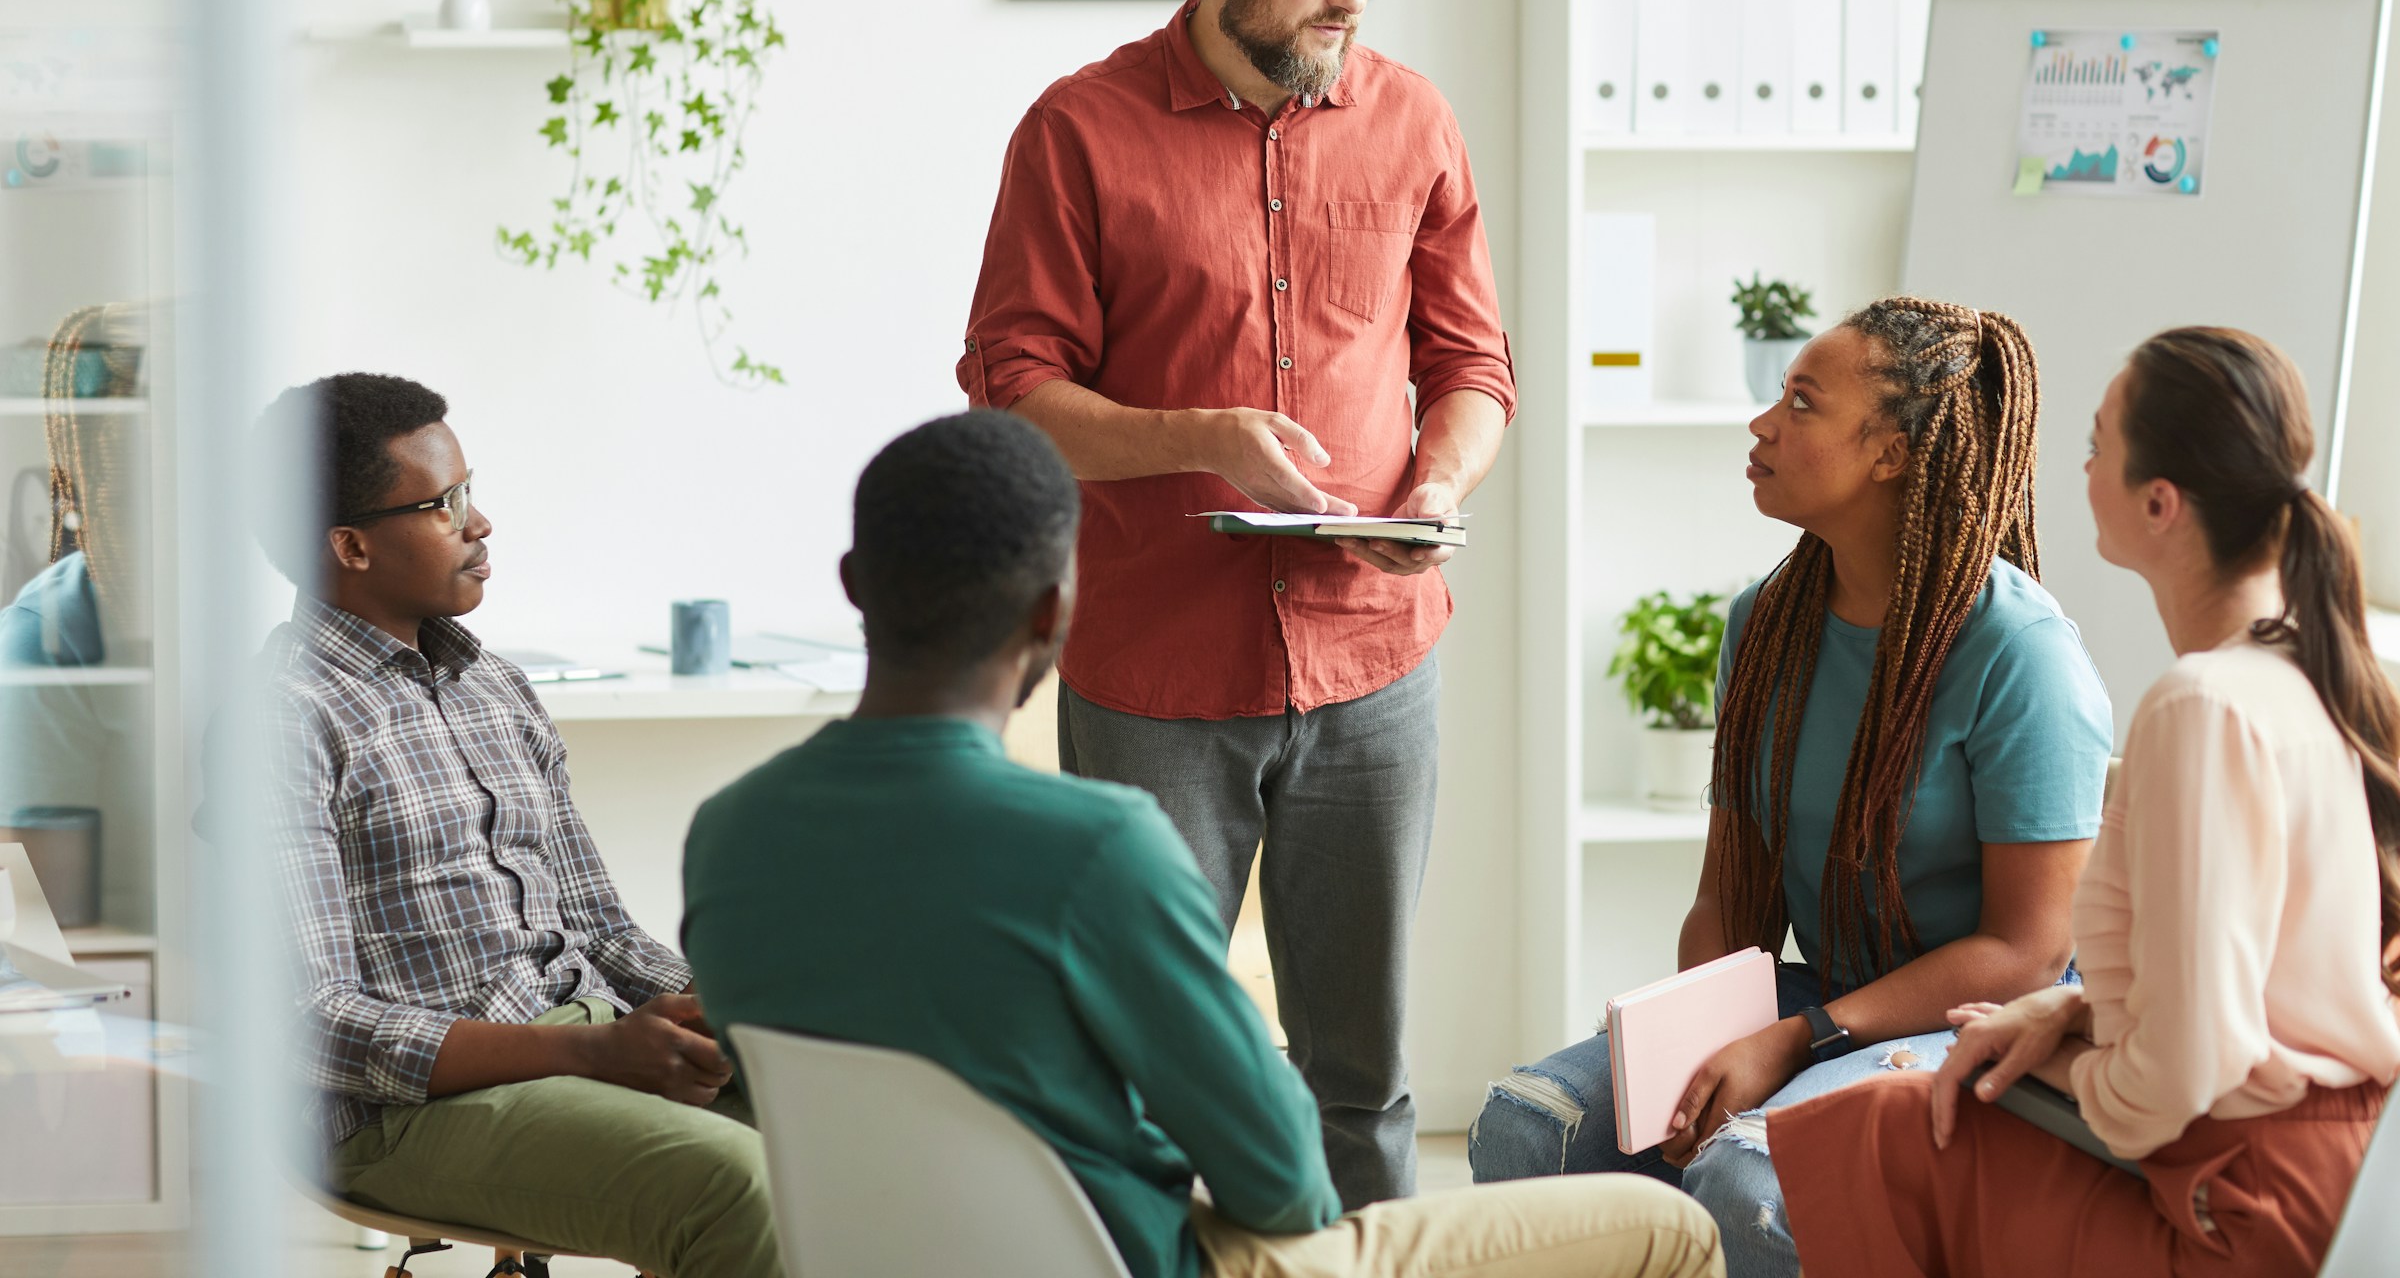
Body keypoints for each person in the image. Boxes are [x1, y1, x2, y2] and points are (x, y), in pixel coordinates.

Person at [682, 410, 1722, 1278]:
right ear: (1055, 609)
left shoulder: (728, 835)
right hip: (1145, 1262)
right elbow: (1286, 1183)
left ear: (855, 581)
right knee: (1669, 1230)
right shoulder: (1092, 851)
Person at [958, 0, 1514, 1209]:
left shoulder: (1415, 121)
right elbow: (1012, 390)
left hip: (1375, 657)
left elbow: (1473, 366)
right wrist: (1202, 435)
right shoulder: (1077, 131)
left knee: (1363, 1073)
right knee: (1143, 1060)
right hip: (1153, 666)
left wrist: (1438, 477)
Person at [1471, 298, 2115, 1277]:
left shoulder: (2020, 653)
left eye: (1802, 403)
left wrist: (1794, 1036)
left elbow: (2028, 953)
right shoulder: (1765, 621)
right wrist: (1697, 1037)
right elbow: (1729, 896)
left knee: (1751, 1178)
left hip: (1978, 1032)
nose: (1762, 423)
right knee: (1528, 1127)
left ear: (1892, 453)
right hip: (1823, 996)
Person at [1770, 326, 2400, 1277]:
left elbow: (2190, 1067)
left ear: (2160, 503)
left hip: (2237, 1204)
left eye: (2099, 443)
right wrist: (2066, 1019)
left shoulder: (2205, 706)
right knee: (1885, 1115)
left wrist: (2065, 1068)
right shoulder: (2308, 668)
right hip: (2313, 1170)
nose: (2080, 463)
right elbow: (2246, 991)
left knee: (1872, 1136)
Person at [250, 374, 775, 1278]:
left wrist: (733, 1012)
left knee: (871, 1125)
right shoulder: (281, 720)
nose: (480, 524)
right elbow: (314, 1020)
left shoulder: (496, 687)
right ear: (351, 546)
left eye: (471, 491)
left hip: (580, 1032)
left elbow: (602, 928)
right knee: (743, 1187)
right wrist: (591, 1049)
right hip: (396, 1113)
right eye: (445, 504)